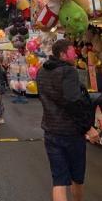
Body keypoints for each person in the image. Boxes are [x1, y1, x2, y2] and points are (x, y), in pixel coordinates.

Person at [37, 39, 100, 201]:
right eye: (72, 51)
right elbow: (74, 102)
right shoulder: (68, 71)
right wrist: (88, 127)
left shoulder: (41, 71)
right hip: (71, 133)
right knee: (77, 178)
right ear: (62, 54)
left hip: (50, 131)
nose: (75, 54)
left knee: (59, 181)